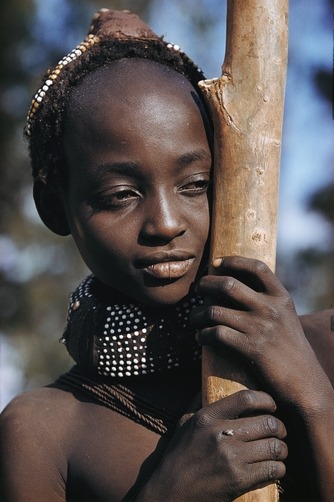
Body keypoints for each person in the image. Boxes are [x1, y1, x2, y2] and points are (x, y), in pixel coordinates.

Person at [0, 8, 333, 502]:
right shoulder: (43, 434)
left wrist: (314, 401)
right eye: (120, 195)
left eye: (194, 185)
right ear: (55, 207)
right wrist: (167, 492)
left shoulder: (323, 346)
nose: (166, 223)